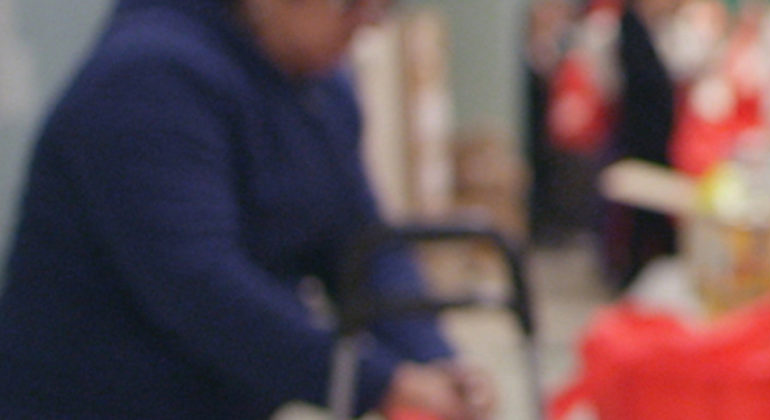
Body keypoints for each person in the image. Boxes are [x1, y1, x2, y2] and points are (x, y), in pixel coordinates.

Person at [0, 0, 492, 417]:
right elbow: (199, 287)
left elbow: (362, 245)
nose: (372, 19)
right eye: (353, 1)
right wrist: (377, 381)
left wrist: (433, 358)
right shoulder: (148, 77)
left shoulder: (317, 86)